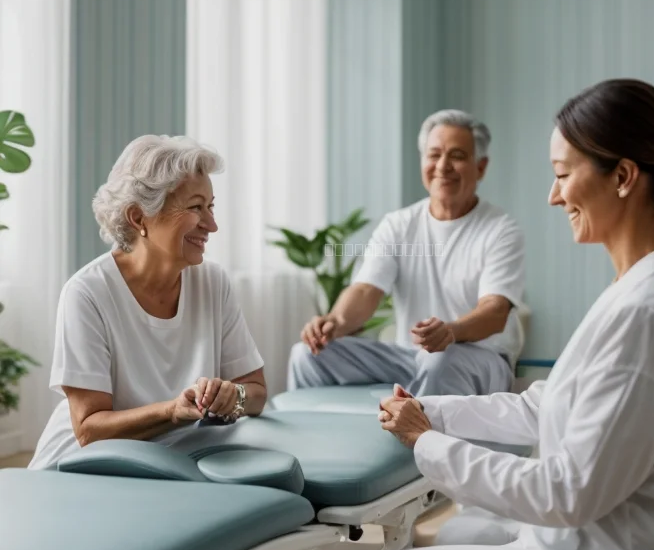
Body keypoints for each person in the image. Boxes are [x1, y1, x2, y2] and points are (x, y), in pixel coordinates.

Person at [353, 79, 654, 550]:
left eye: (562, 175)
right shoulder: (642, 288)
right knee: (464, 537)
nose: (553, 196)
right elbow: (550, 404)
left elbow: (565, 493)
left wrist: (426, 443)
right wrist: (435, 412)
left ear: (624, 177)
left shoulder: (647, 315)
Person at [28, 135, 267, 470]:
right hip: (84, 468)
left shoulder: (213, 283)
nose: (212, 225)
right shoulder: (87, 293)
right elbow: (88, 430)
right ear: (139, 218)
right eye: (196, 207)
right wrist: (172, 411)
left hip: (177, 460)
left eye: (211, 206)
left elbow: (256, 392)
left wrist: (233, 398)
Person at [288, 109, 525, 398]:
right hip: (411, 357)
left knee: (440, 360)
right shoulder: (398, 224)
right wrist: (334, 323)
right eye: (434, 154)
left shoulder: (500, 229)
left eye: (458, 156)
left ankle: (420, 442)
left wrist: (451, 331)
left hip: (480, 358)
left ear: (481, 167)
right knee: (307, 354)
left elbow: (495, 312)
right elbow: (365, 290)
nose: (443, 166)